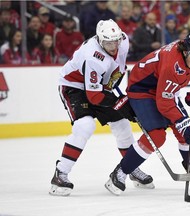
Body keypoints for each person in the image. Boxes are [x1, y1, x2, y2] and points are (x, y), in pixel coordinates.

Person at [49, 19, 154, 196]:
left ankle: (131, 167)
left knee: (122, 125)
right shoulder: (93, 57)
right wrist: (122, 104)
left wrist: (122, 102)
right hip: (74, 87)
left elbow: (114, 72)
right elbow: (94, 96)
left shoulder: (124, 41)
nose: (113, 46)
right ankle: (61, 173)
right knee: (85, 126)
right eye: (108, 43)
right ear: (99, 40)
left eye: (116, 41)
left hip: (99, 86)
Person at [105, 31, 190, 196]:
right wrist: (182, 122)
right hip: (142, 90)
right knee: (157, 136)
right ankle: (120, 171)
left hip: (165, 88)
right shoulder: (173, 64)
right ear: (186, 51)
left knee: (188, 134)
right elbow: (164, 102)